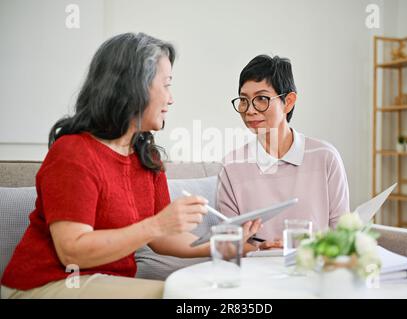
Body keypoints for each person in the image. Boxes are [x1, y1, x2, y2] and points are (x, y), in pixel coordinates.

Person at [0, 33, 261, 299]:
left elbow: (162, 240)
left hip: (104, 284)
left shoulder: (146, 157)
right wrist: (156, 224)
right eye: (166, 85)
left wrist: (228, 245)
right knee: (179, 297)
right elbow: (72, 251)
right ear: (135, 86)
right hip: (45, 285)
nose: (171, 99)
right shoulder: (73, 153)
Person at [217, 55, 350, 250]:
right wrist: (259, 250)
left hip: (316, 269)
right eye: (244, 100)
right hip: (257, 272)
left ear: (288, 102)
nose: (250, 110)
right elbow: (229, 242)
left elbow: (342, 233)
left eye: (261, 99)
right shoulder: (231, 166)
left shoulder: (325, 157)